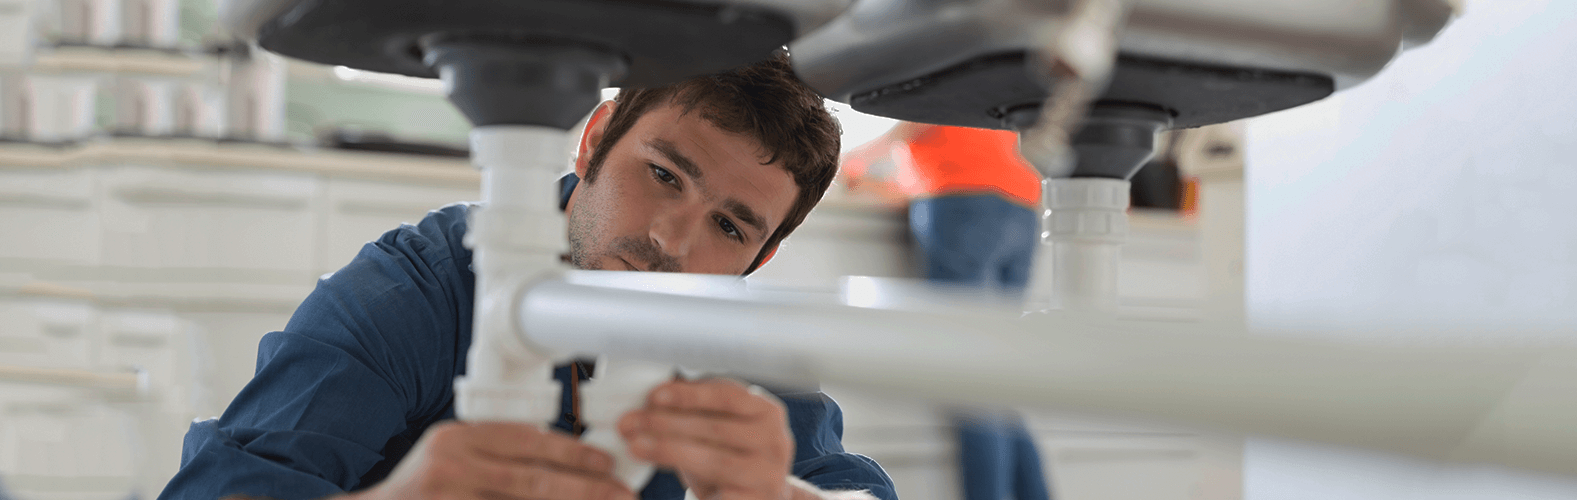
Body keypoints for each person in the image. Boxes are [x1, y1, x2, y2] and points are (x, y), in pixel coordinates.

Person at [159, 53, 895, 500]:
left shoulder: (737, 348)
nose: (670, 240)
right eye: (664, 174)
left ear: (757, 262)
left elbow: (851, 490)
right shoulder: (418, 289)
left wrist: (786, 496)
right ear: (595, 141)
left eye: (730, 227)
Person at [842, 123, 1050, 500]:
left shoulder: (914, 69)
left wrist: (852, 161)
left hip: (961, 198)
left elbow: (913, 122)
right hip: (1022, 201)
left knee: (972, 382)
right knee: (999, 382)